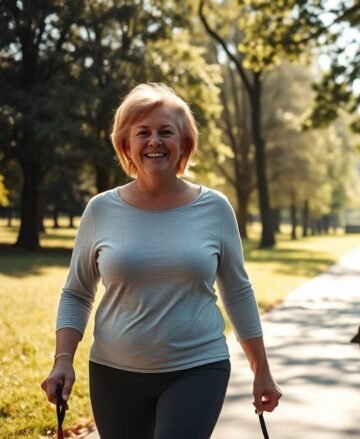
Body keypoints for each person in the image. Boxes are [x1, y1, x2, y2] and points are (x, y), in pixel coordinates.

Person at [40, 83, 281, 438]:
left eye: (166, 132)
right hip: (114, 372)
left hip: (198, 368)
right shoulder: (101, 210)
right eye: (143, 133)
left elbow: (238, 291)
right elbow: (77, 292)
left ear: (184, 143)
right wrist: (63, 360)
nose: (155, 141)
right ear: (126, 145)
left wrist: (261, 368)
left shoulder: (214, 208)